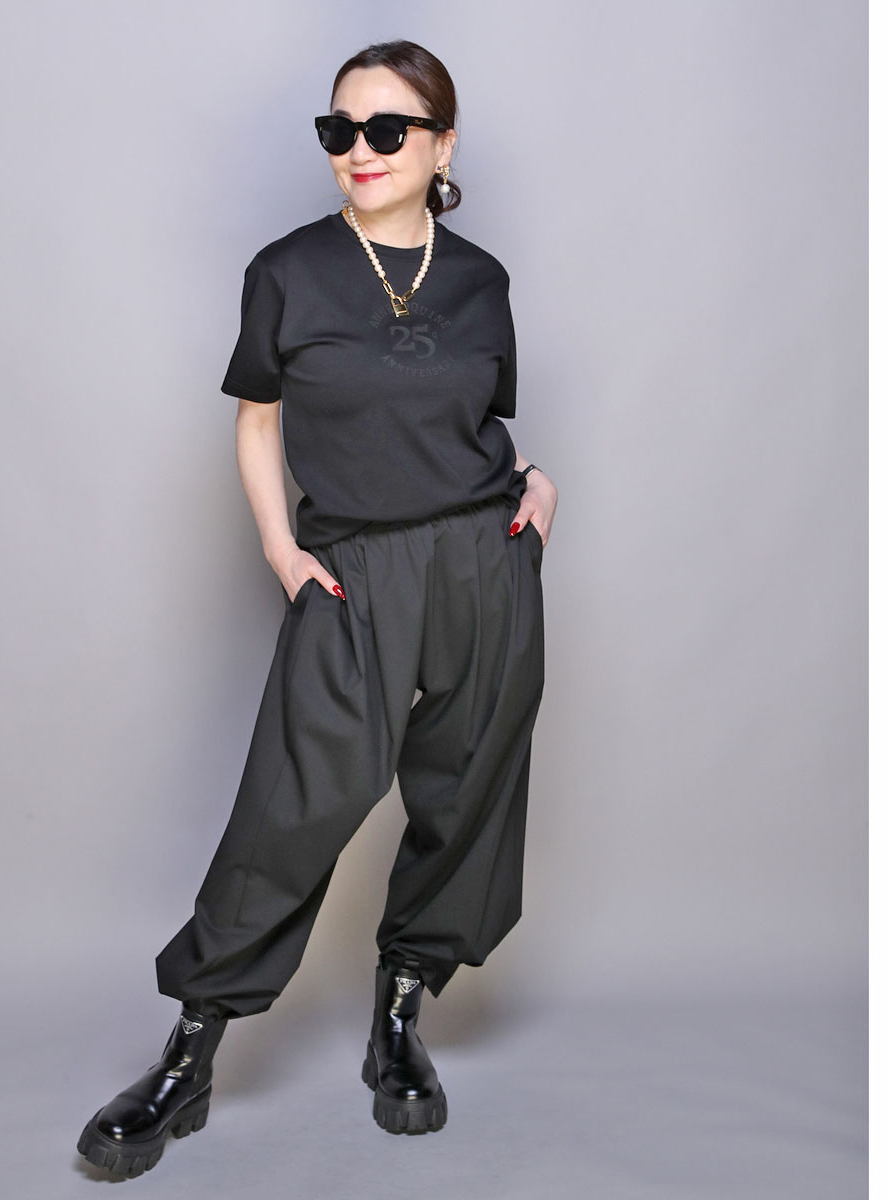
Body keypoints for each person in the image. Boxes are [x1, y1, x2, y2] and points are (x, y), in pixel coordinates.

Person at [77, 39, 556, 1178]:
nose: (360, 150)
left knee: (468, 790)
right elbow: (257, 419)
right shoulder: (288, 271)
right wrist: (281, 550)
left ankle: (399, 1012)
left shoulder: (482, 279)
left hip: (483, 563)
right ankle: (191, 1054)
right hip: (352, 573)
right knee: (291, 808)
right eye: (340, 130)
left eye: (388, 129)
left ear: (442, 145)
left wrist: (537, 495)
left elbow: (477, 426)